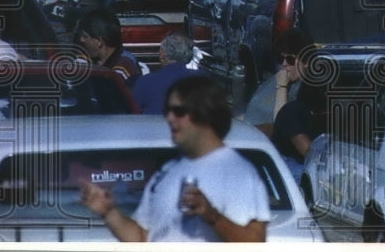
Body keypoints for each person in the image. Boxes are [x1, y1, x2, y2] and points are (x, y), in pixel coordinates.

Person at [80, 76, 269, 242]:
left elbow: (253, 243)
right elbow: (142, 238)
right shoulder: (167, 172)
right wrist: (109, 212)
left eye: (178, 111)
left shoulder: (237, 172)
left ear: (205, 113)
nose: (169, 118)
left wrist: (212, 216)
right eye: (167, 111)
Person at [269, 30, 324, 183]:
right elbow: (283, 119)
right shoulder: (282, 86)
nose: (284, 65)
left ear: (306, 61)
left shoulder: (312, 88)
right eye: (281, 59)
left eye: (290, 60)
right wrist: (281, 86)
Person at [130, 32, 203, 115]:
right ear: (189, 55)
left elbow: (132, 114)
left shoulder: (145, 82)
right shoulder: (203, 80)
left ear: (162, 54)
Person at [76, 8, 143, 87]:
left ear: (99, 42)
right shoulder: (85, 58)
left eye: (85, 36)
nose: (81, 40)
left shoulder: (122, 67)